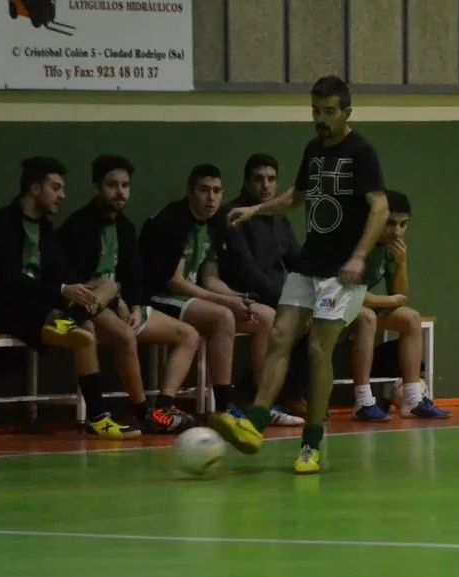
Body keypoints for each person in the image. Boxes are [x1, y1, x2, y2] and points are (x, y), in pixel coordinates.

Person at [210, 75, 390, 475]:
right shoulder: (313, 149)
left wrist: (360, 256)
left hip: (344, 271)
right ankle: (255, 422)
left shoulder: (361, 152)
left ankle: (311, 443)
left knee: (318, 350)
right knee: (280, 335)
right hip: (310, 262)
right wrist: (256, 210)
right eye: (315, 111)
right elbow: (295, 197)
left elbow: (380, 207)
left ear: (346, 112)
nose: (321, 119)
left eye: (329, 112)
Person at [0, 157, 139, 439]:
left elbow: (61, 274)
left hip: (40, 302)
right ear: (35, 189)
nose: (62, 195)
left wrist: (78, 289)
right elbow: (6, 279)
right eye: (56, 188)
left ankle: (70, 322)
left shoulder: (47, 231)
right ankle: (98, 416)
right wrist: (62, 289)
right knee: (85, 329)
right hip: (3, 307)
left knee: (106, 286)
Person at [138, 165, 298, 426]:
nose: (211, 198)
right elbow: (176, 282)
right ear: (190, 192)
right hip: (159, 295)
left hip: (192, 298)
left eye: (216, 191)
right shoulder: (173, 223)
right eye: (204, 190)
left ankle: (262, 404)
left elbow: (210, 279)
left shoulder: (214, 225)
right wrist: (226, 302)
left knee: (265, 317)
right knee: (223, 315)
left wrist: (237, 297)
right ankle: (224, 405)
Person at [58, 154, 199, 434]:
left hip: (121, 305)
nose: (120, 192)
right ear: (96, 188)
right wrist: (114, 296)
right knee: (123, 332)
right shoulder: (78, 226)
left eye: (125, 185)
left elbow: (134, 276)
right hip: (87, 305)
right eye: (112, 185)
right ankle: (142, 413)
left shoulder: (126, 228)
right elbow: (75, 280)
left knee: (189, 335)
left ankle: (164, 406)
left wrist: (134, 306)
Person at [216, 153, 308, 418]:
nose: (266, 186)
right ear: (246, 182)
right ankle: (261, 396)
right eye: (258, 179)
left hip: (279, 296)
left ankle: (291, 392)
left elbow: (298, 261)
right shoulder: (232, 213)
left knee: (318, 317)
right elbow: (245, 270)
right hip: (247, 296)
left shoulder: (279, 219)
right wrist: (285, 300)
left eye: (271, 179)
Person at [348, 189, 450, 421]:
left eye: (403, 225)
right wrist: (387, 301)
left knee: (411, 318)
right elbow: (349, 294)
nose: (397, 231)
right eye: (390, 223)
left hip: (360, 307)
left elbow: (400, 296)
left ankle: (412, 399)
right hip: (331, 307)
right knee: (367, 317)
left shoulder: (390, 248)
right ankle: (362, 402)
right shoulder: (357, 243)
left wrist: (402, 263)